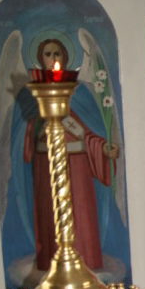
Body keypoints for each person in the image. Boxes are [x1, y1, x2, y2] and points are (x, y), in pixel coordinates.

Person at [22, 39, 120, 271]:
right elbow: (26, 143)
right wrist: (41, 124)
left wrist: (103, 148)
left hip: (77, 166)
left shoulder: (81, 93)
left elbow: (89, 133)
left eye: (57, 54)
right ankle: (54, 266)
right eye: (48, 54)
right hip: (46, 165)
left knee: (80, 212)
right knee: (51, 214)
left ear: (65, 57)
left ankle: (85, 263)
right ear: (40, 58)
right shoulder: (35, 93)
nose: (53, 59)